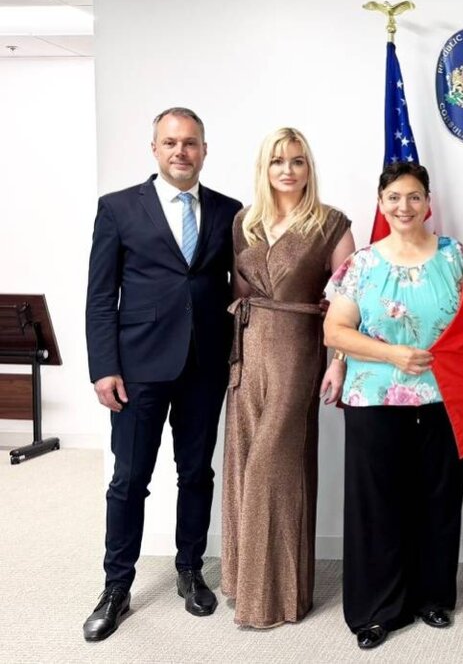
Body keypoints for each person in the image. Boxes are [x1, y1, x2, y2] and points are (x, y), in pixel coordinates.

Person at [83, 107, 241, 642]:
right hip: (138, 368)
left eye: (190, 143)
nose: (181, 152)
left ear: (204, 150)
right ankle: (116, 586)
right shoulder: (118, 208)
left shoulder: (228, 212)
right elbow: (100, 295)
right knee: (130, 479)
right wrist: (104, 368)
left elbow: (236, 289)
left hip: (204, 366)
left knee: (196, 474)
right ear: (154, 149)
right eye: (170, 142)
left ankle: (190, 569)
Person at [323, 161, 463, 650]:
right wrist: (393, 355)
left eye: (413, 197)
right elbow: (335, 331)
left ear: (428, 203)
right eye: (394, 198)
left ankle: (432, 596)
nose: (404, 206)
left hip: (445, 398)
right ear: (381, 204)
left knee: (438, 500)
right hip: (375, 397)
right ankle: (376, 610)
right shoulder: (362, 264)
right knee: (377, 505)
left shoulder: (456, 257)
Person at [220, 128, 354, 628]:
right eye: (278, 161)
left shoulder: (331, 222)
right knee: (243, 462)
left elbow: (350, 301)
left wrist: (339, 360)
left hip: (298, 350)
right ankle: (243, 582)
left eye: (298, 161)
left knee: (273, 468)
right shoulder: (244, 223)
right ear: (265, 167)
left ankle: (275, 597)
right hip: (247, 351)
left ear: (308, 168)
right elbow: (237, 292)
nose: (288, 170)